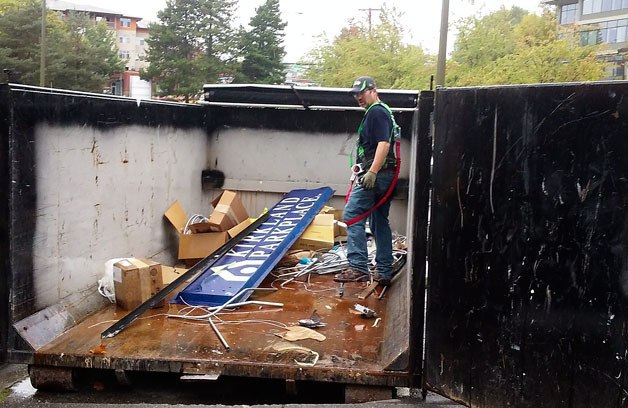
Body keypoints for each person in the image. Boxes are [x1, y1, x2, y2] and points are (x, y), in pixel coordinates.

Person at [334, 76, 399, 287]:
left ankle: (358, 268)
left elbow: (384, 143)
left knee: (352, 215)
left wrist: (371, 172)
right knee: (379, 221)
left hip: (377, 175)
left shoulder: (377, 112)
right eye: (356, 94)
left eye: (361, 93)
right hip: (385, 175)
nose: (358, 97)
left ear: (373, 90)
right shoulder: (383, 111)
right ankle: (384, 270)